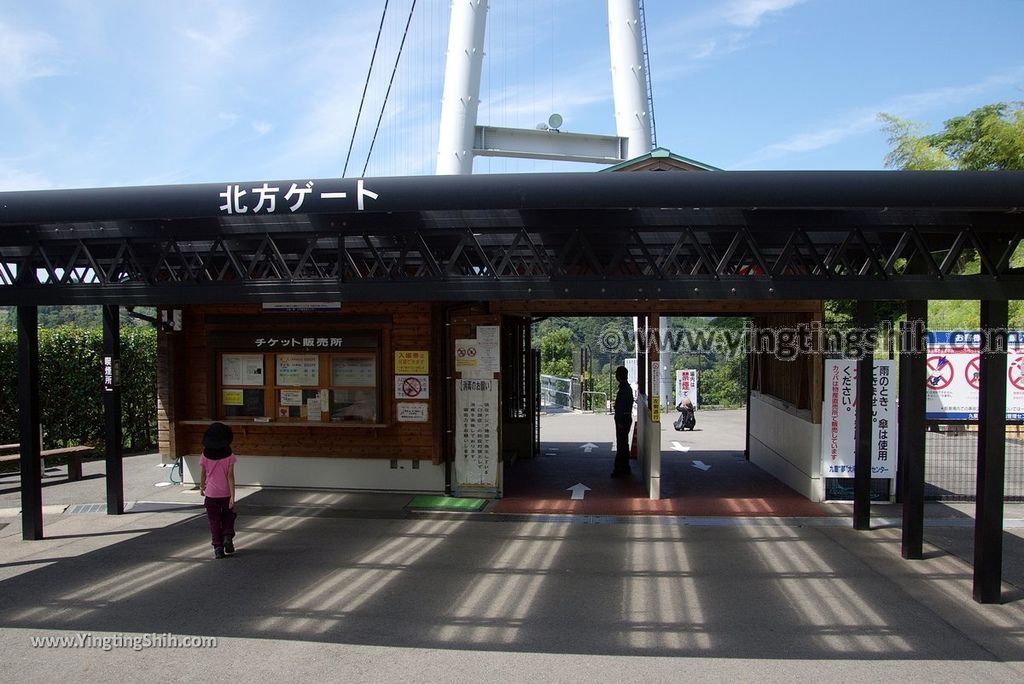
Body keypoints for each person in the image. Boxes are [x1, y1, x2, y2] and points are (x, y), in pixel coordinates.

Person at [200, 422, 237, 559]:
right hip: (225, 493)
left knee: (214, 521)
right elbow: (230, 476)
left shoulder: (204, 455)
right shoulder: (229, 456)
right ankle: (227, 535)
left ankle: (218, 547)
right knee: (228, 516)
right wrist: (233, 496)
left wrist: (201, 486)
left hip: (211, 494)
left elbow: (203, 473)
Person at [611, 365, 634, 477]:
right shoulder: (627, 388)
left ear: (619, 376)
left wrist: (619, 421)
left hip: (622, 420)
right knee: (623, 443)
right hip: (626, 418)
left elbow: (621, 407)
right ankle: (624, 467)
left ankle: (621, 469)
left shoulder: (624, 389)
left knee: (621, 444)